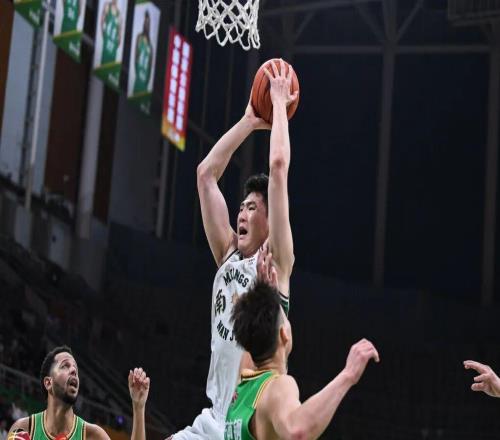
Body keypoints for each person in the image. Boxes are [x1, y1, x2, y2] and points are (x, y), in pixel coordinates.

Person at [167, 59, 298, 439]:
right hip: (213, 417)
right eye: (241, 207)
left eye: (252, 208)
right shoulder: (227, 255)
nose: (241, 213)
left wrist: (278, 104)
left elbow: (278, 166)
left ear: (270, 220)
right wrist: (248, 121)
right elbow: (205, 175)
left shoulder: (277, 261)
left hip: (248, 418)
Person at [225, 250, 380, 440]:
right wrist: (348, 375)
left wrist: (266, 297)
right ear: (284, 334)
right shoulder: (278, 387)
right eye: (285, 319)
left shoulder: (242, 388)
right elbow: (297, 431)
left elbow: (253, 335)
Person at [7, 346, 150, 440]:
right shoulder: (24, 428)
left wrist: (138, 407)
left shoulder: (93, 436)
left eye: (75, 368)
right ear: (48, 383)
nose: (73, 371)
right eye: (65, 366)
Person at [133, 11, 153, 96]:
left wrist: (147, 80)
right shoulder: (139, 37)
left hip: (145, 79)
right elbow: (136, 55)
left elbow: (150, 64)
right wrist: (137, 70)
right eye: (145, 22)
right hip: (138, 75)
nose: (146, 24)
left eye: (148, 23)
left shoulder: (150, 46)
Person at [100, 0, 122, 65]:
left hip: (114, 42)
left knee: (111, 62)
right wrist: (103, 32)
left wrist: (119, 39)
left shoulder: (119, 13)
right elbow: (102, 20)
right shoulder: (107, 6)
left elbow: (119, 29)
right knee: (104, 58)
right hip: (107, 38)